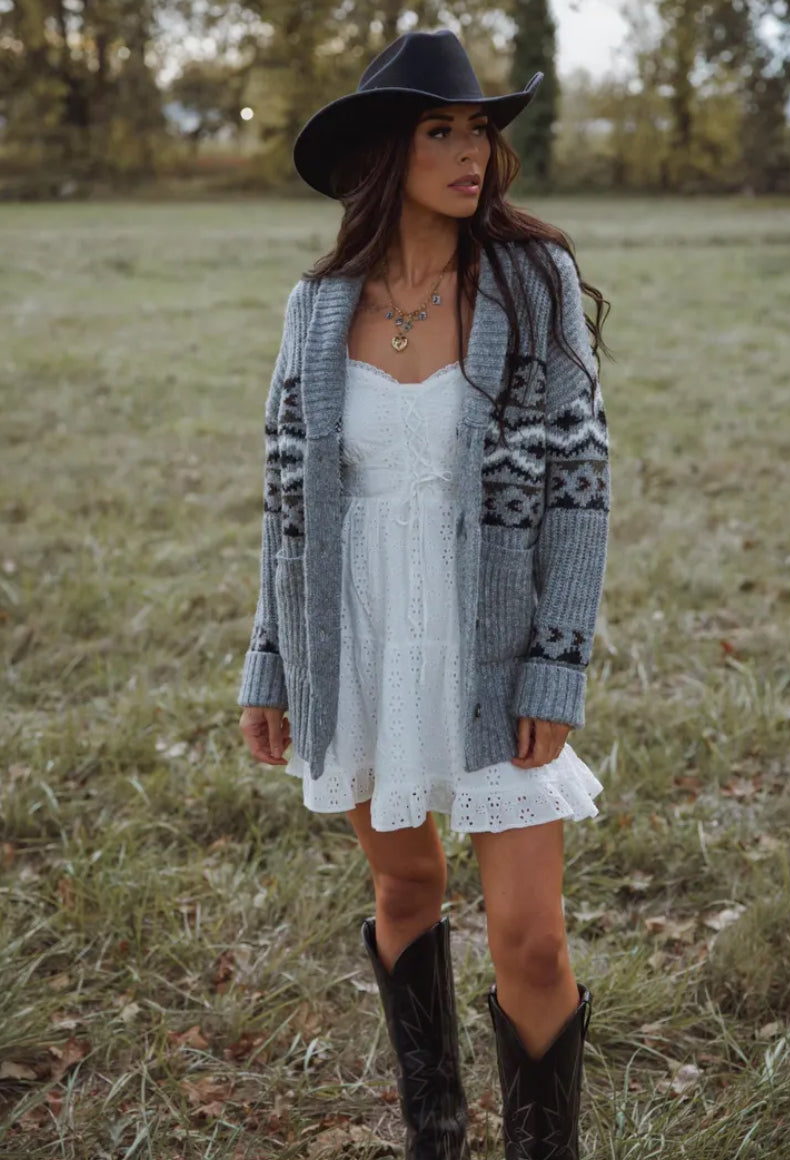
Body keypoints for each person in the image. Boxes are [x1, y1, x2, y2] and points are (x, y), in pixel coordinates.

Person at [237, 27, 611, 1160]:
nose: (470, 153)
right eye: (440, 132)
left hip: (490, 647)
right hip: (356, 636)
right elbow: (289, 502)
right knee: (404, 886)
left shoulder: (531, 285)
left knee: (531, 938)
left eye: (479, 132)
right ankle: (434, 1130)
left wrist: (555, 664)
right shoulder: (317, 307)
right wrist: (269, 659)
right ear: (382, 153)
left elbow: (581, 492)